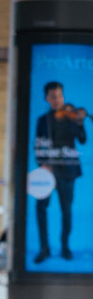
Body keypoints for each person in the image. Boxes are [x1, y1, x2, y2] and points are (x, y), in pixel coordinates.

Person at [34, 81, 87, 263]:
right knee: (41, 208)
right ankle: (44, 248)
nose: (57, 100)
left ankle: (65, 247)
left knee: (66, 210)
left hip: (67, 171)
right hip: (48, 172)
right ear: (47, 99)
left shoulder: (72, 116)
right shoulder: (43, 120)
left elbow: (82, 140)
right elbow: (38, 145)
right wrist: (43, 163)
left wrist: (79, 122)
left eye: (60, 96)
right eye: (53, 97)